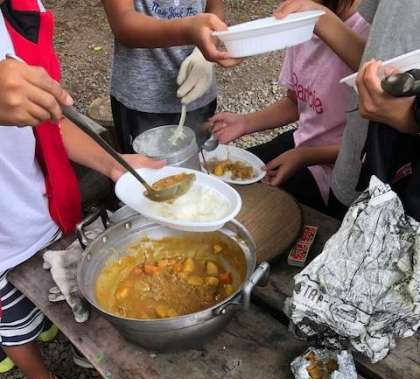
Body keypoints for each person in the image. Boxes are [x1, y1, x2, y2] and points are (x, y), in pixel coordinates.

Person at [0, 0, 163, 379]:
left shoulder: (22, 9)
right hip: (2, 241)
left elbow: (51, 119)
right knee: (13, 325)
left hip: (42, 208)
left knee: (53, 293)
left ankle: (49, 325)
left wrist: (113, 164)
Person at [209, 0, 368, 217]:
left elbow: (374, 146)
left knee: (256, 208)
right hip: (302, 143)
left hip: (342, 169)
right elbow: (295, 102)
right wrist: (245, 123)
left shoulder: (367, 38)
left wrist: (304, 156)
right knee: (223, 181)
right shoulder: (302, 23)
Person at [274, 0, 420, 210]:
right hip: (349, 169)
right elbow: (294, 101)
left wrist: (410, 118)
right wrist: (318, 16)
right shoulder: (307, 32)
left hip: (394, 190)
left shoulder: (358, 28)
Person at [102, 0, 236, 153]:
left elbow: (215, 10)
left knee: (200, 162)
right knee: (145, 166)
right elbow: (123, 23)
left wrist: (203, 54)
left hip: (199, 91)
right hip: (143, 100)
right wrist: (188, 30)